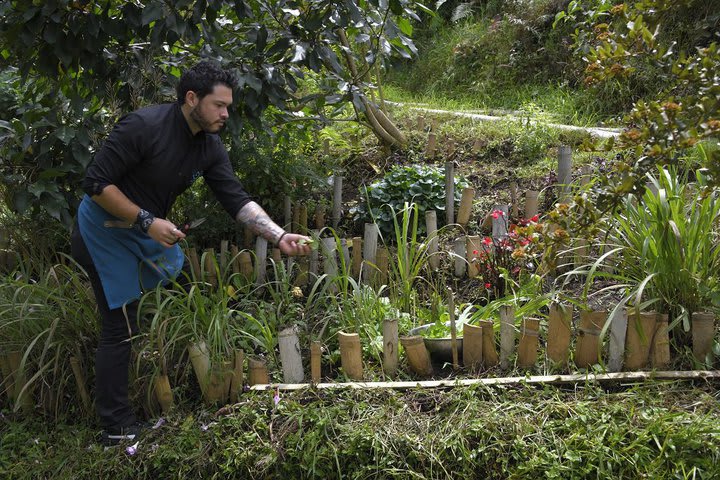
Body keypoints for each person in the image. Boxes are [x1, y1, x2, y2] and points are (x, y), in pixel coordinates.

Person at [71, 60, 311, 446]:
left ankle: (183, 380)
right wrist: (148, 221)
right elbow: (96, 184)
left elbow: (236, 199)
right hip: (101, 233)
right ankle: (116, 427)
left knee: (183, 292)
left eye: (228, 106)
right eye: (219, 105)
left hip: (144, 232)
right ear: (191, 98)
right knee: (122, 327)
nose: (225, 114)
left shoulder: (208, 146)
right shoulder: (143, 127)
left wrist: (278, 234)